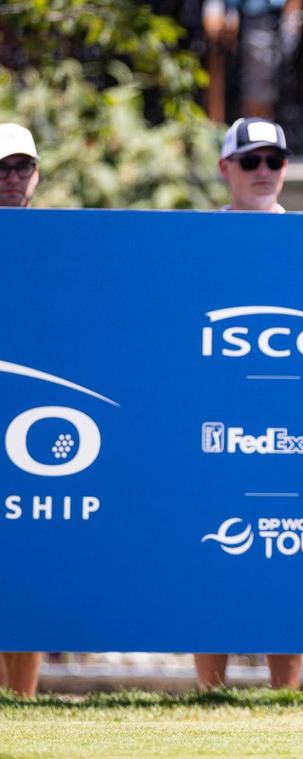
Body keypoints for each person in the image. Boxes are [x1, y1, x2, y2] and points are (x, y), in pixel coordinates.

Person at [194, 116, 302, 689]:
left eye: (274, 161)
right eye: (251, 161)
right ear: (225, 169)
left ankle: (285, 694)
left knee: (289, 550)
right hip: (215, 424)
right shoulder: (199, 244)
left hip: (292, 424)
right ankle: (209, 689)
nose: (264, 171)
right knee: (211, 551)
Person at [0, 123, 44, 698]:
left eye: (22, 168)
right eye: (1, 169)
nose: (12, 178)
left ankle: (25, 700)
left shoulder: (57, 241)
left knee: (30, 559)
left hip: (36, 413)